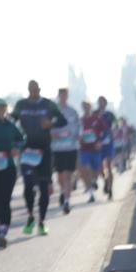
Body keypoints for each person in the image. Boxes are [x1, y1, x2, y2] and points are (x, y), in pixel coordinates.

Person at [12, 80, 67, 235]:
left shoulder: (48, 104)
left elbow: (62, 120)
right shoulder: (21, 104)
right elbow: (11, 121)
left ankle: (41, 221)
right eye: (31, 89)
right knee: (28, 184)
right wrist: (14, 140)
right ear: (28, 90)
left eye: (36, 89)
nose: (34, 92)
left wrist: (51, 123)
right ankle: (30, 216)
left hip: (45, 150)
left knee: (44, 187)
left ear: (39, 89)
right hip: (28, 149)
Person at [0, 99, 23, 247]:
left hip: (8, 165)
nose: (0, 109)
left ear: (6, 108)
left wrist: (16, 147)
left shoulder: (11, 125)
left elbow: (21, 140)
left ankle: (3, 229)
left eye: (3, 107)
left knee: (4, 198)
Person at [51, 87, 80, 215]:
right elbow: (48, 128)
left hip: (70, 147)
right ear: (59, 96)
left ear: (67, 96)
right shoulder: (52, 112)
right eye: (61, 95)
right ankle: (63, 191)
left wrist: (73, 134)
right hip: (57, 148)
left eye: (65, 95)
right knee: (60, 176)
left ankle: (67, 201)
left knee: (68, 175)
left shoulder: (73, 112)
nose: (63, 97)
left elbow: (78, 128)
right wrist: (53, 134)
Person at [78, 100, 107, 203]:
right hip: (84, 149)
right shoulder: (80, 120)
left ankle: (94, 181)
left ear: (90, 107)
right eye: (84, 107)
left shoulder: (97, 119)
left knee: (96, 169)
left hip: (95, 149)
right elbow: (77, 132)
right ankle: (91, 193)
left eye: (87, 107)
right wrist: (79, 139)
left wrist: (100, 142)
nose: (86, 108)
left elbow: (104, 132)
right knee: (85, 169)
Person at [96, 95, 117, 200]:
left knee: (109, 166)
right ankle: (105, 181)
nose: (101, 104)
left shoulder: (110, 115)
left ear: (105, 103)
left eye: (102, 102)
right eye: (99, 102)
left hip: (108, 143)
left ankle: (110, 190)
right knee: (99, 168)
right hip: (98, 144)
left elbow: (116, 127)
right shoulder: (94, 114)